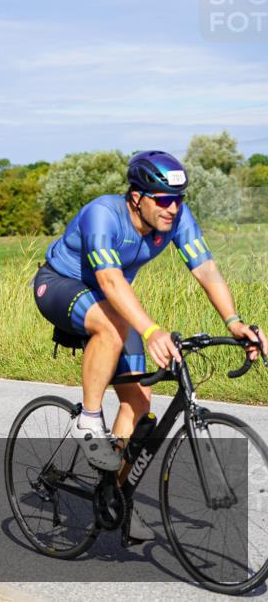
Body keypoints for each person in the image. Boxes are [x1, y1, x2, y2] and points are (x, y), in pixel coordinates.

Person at [33, 151, 266, 538]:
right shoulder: (103, 215)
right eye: (162, 199)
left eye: (178, 199)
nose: (172, 208)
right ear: (137, 197)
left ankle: (114, 497)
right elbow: (109, 281)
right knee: (114, 323)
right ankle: (89, 421)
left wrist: (234, 321)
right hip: (59, 285)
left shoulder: (175, 220)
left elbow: (205, 268)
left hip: (112, 302)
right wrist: (152, 329)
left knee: (139, 403)